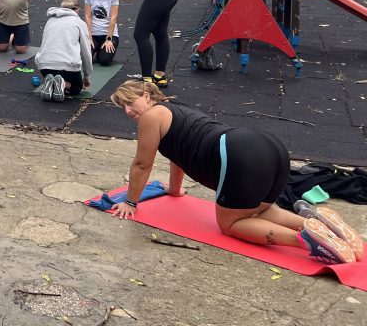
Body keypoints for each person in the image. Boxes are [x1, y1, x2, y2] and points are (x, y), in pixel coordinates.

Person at [109, 80, 363, 265]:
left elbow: (142, 164)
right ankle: (321, 226)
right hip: (269, 148)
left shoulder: (151, 116)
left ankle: (308, 240)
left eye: (130, 103)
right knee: (262, 210)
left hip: (239, 154)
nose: (128, 111)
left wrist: (131, 202)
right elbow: (178, 154)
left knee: (231, 224)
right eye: (123, 107)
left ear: (146, 94)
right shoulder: (174, 108)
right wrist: (174, 190)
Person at [35, 0, 92, 100]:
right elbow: (86, 51)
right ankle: (63, 84)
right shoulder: (79, 23)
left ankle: (51, 83)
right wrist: (87, 76)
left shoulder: (50, 20)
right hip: (68, 67)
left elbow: (44, 43)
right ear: (78, 10)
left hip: (45, 66)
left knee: (52, 74)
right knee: (77, 88)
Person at [84, 0, 120, 65]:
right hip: (94, 33)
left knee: (104, 61)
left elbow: (113, 18)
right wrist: (89, 37)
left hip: (108, 33)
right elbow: (88, 16)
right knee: (87, 61)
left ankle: (100, 51)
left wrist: (109, 39)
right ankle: (96, 49)